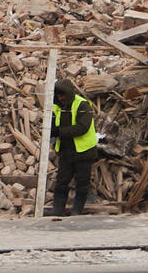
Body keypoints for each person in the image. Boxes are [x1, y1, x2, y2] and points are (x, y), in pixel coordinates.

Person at [50, 79, 98, 217]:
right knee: (61, 182)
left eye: (62, 95)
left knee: (82, 183)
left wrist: (59, 132)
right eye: (58, 96)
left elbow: (82, 128)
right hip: (66, 151)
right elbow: (52, 121)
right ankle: (57, 211)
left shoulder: (82, 105)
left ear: (69, 93)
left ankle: (77, 212)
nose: (61, 98)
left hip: (84, 152)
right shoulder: (57, 106)